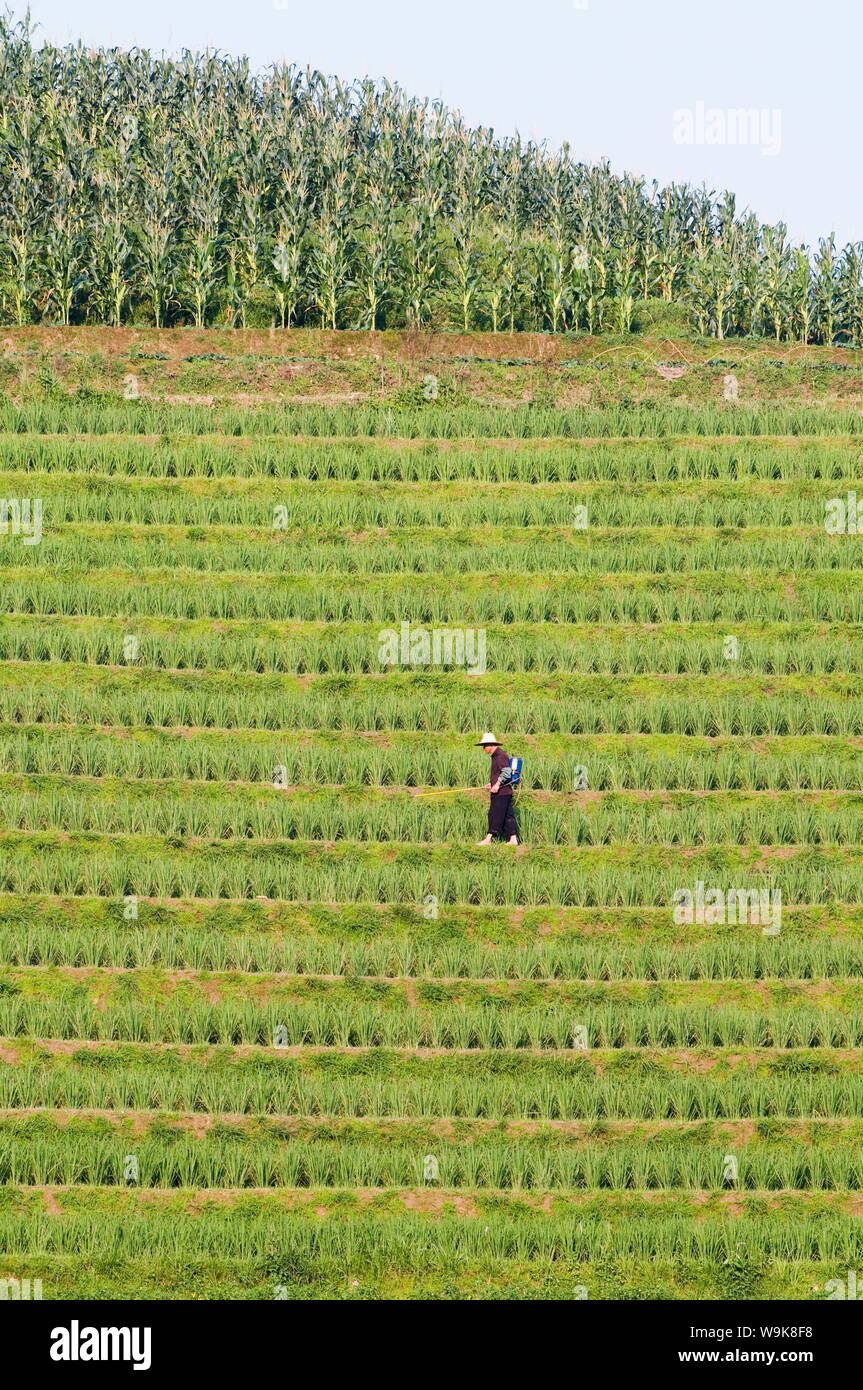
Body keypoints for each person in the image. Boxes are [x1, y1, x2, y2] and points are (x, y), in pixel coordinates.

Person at [475, 732, 519, 846]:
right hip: (504, 792)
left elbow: (506, 771)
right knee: (507, 816)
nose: (483, 749)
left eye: (484, 746)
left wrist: (497, 785)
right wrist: (491, 784)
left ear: (490, 744)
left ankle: (488, 839)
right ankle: (513, 839)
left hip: (501, 793)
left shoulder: (500, 755)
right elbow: (499, 773)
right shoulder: (496, 755)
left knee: (494, 814)